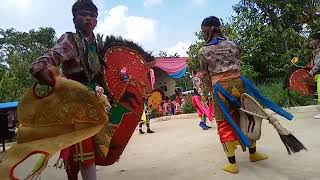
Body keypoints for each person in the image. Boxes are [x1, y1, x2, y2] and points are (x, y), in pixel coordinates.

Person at [194, 16, 293, 174]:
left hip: (220, 88)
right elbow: (238, 61)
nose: (203, 34)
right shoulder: (233, 44)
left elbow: (205, 73)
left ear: (209, 30)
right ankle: (253, 154)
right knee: (248, 117)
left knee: (224, 123)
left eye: (204, 31)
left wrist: (205, 92)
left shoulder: (204, 51)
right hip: (240, 84)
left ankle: (232, 164)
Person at [29, 0, 108, 179]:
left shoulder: (97, 45)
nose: (89, 19)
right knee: (83, 148)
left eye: (93, 16)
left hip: (97, 100)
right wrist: (39, 68)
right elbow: (51, 57)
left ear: (96, 20)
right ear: (75, 19)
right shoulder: (70, 40)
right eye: (84, 15)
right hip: (75, 103)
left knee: (101, 145)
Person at [308, 31, 320, 119]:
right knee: (317, 94)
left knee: (319, 94)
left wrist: (312, 71)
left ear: (318, 40)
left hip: (319, 74)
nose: (311, 41)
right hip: (317, 75)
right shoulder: (315, 51)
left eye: (313, 39)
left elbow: (319, 63)